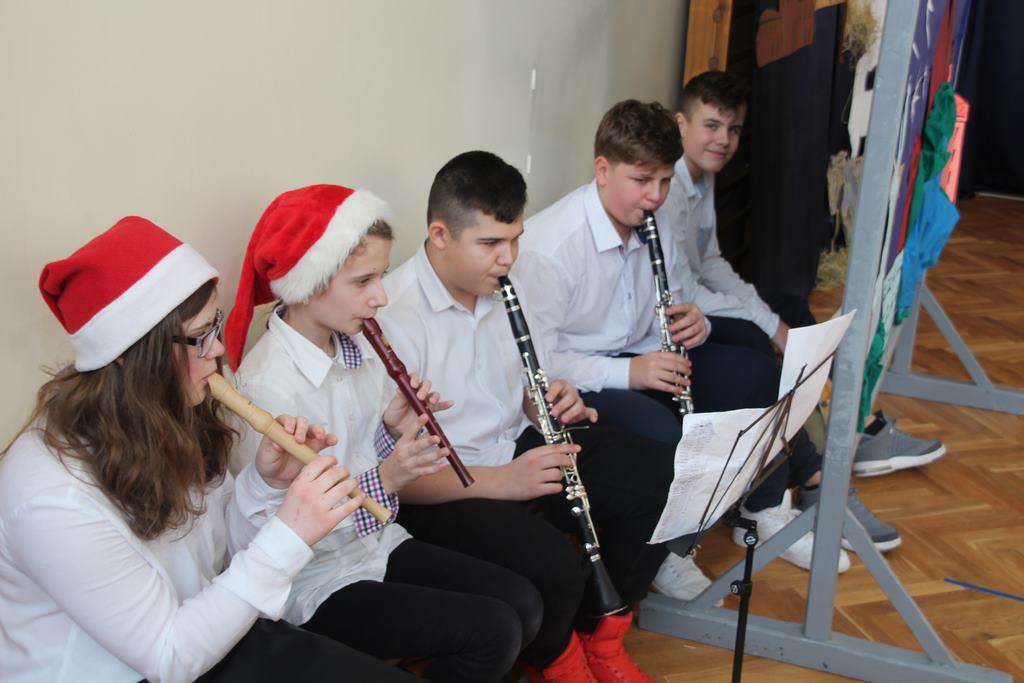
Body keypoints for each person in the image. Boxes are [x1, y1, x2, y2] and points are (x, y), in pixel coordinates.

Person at [0, 217, 417, 682]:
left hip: (213, 630)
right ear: (134, 354)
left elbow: (220, 557)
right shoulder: (51, 498)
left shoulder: (170, 411)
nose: (218, 349)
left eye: (214, 326)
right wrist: (290, 533)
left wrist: (264, 485)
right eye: (200, 336)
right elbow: (169, 658)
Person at [516, 100, 857, 575]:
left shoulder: (649, 218)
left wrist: (699, 322)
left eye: (663, 181)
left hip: (645, 355)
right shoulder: (552, 248)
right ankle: (663, 559)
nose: (655, 196)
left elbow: (678, 294)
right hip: (584, 380)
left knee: (757, 373)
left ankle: (761, 509)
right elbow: (537, 362)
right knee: (661, 432)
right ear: (603, 169)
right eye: (642, 180)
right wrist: (630, 373)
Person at [224, 184, 543, 683]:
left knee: (523, 602)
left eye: (382, 275)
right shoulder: (265, 387)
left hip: (377, 545)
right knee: (494, 630)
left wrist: (393, 429)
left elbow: (360, 453)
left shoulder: (357, 346)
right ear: (308, 284)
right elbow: (281, 534)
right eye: (363, 281)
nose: (381, 296)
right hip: (315, 584)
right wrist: (389, 479)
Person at [378, 151, 677, 683]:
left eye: (515, 239)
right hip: (447, 483)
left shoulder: (508, 282)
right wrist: (504, 482)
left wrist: (546, 403)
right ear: (440, 235)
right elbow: (398, 479)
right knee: (555, 567)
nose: (508, 258)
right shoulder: (393, 315)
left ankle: (600, 633)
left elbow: (517, 384)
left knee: (664, 477)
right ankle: (557, 660)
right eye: (491, 243)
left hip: (516, 447)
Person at [666, 71, 942, 539]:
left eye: (733, 129)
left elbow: (711, 263)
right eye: (711, 126)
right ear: (682, 125)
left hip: (696, 300)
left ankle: (857, 425)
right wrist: (768, 325)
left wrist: (767, 314)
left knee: (791, 309)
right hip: (680, 316)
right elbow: (684, 291)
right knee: (765, 342)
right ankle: (817, 481)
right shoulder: (669, 186)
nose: (723, 140)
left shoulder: (703, 176)